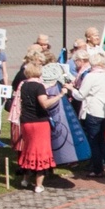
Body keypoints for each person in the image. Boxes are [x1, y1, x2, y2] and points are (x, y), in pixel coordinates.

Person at [17, 62, 67, 193]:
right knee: (41, 152)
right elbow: (44, 104)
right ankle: (38, 184)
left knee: (29, 150)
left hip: (26, 122)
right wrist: (60, 95)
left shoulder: (24, 85)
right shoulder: (38, 86)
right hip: (39, 123)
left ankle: (25, 179)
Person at [71, 51, 105, 178]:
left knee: (94, 141)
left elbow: (80, 95)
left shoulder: (90, 76)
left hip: (93, 110)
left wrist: (71, 89)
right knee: (101, 139)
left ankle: (98, 168)